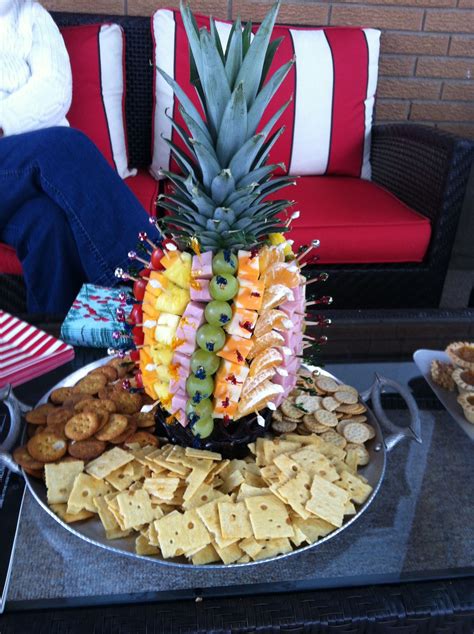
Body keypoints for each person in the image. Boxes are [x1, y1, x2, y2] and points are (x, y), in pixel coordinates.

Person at [0, 0, 151, 313]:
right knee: (65, 147)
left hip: (18, 175)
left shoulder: (28, 16)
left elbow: (54, 90)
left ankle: (59, 345)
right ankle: (149, 276)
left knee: (45, 222)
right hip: (34, 155)